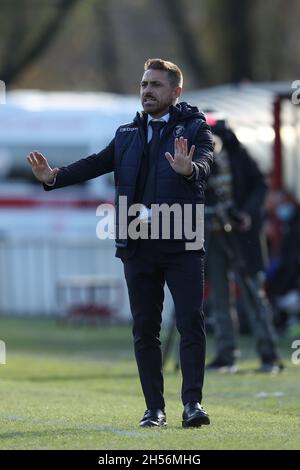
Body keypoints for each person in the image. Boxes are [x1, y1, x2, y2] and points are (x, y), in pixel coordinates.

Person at [27, 58, 214, 428]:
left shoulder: (195, 129)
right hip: (138, 242)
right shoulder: (127, 132)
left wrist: (189, 169)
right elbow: (95, 163)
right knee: (145, 328)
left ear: (175, 92)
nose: (147, 91)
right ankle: (154, 410)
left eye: (156, 85)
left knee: (190, 322)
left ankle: (192, 405)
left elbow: (206, 164)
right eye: (144, 84)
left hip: (183, 240)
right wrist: (53, 177)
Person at [204, 115, 282, 373]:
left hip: (242, 237)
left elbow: (260, 185)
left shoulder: (240, 156)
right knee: (219, 298)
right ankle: (227, 356)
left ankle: (269, 355)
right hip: (214, 236)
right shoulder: (200, 159)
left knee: (253, 294)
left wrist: (247, 214)